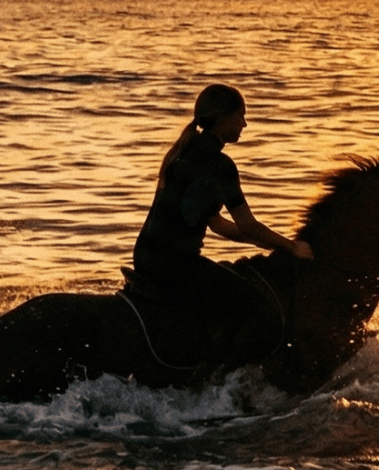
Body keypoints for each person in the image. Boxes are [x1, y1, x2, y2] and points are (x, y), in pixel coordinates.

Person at [131, 84, 312, 349]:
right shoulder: (220, 165)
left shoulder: (182, 153)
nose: (245, 124)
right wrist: (292, 246)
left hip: (147, 258)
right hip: (177, 266)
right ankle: (221, 378)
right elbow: (248, 224)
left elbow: (217, 224)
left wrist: (263, 240)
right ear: (222, 118)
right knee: (260, 307)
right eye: (241, 116)